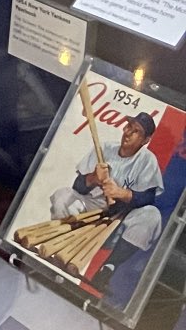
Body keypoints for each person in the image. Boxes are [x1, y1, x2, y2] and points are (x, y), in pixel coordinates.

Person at [49, 114, 165, 288]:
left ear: (146, 140)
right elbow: (78, 186)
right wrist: (93, 178)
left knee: (152, 216)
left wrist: (122, 193)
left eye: (136, 131)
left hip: (121, 220)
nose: (128, 133)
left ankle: (108, 268)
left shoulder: (147, 160)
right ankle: (60, 248)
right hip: (91, 211)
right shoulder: (105, 148)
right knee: (62, 195)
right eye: (128, 127)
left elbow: (149, 198)